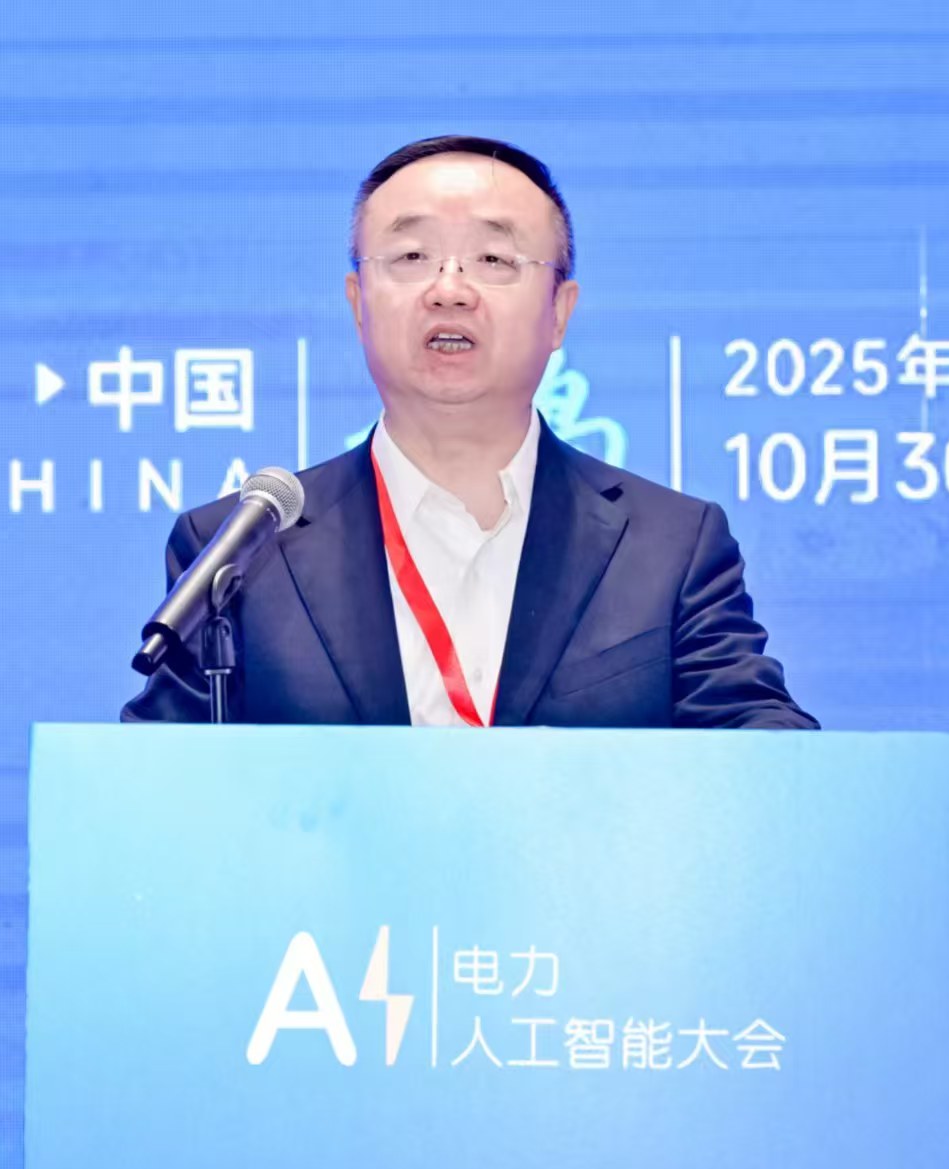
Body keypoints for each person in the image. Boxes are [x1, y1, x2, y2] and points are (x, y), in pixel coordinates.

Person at [122, 135, 815, 729]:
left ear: (560, 312)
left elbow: (766, 757)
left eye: (494, 260)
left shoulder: (671, 547)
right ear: (358, 303)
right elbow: (155, 788)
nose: (449, 288)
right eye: (411, 257)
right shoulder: (240, 554)